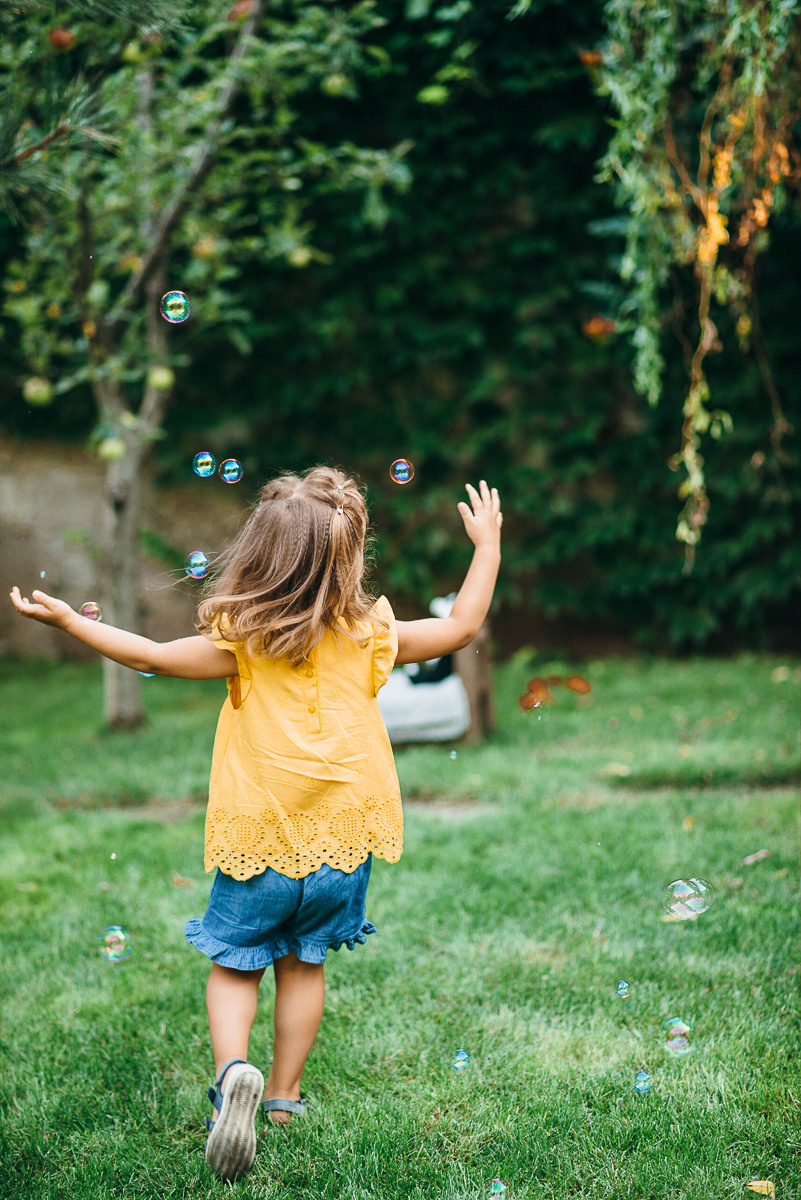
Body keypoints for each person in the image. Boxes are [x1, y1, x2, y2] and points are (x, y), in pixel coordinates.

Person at [9, 467, 502, 1182]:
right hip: (340, 852)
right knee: (306, 962)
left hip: (258, 849)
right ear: (350, 560)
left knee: (234, 964)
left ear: (260, 558)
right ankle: (283, 1096)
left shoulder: (243, 639)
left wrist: (71, 622)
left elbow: (149, 656)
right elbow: (462, 625)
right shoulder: (369, 634)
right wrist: (484, 545)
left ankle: (232, 1073)